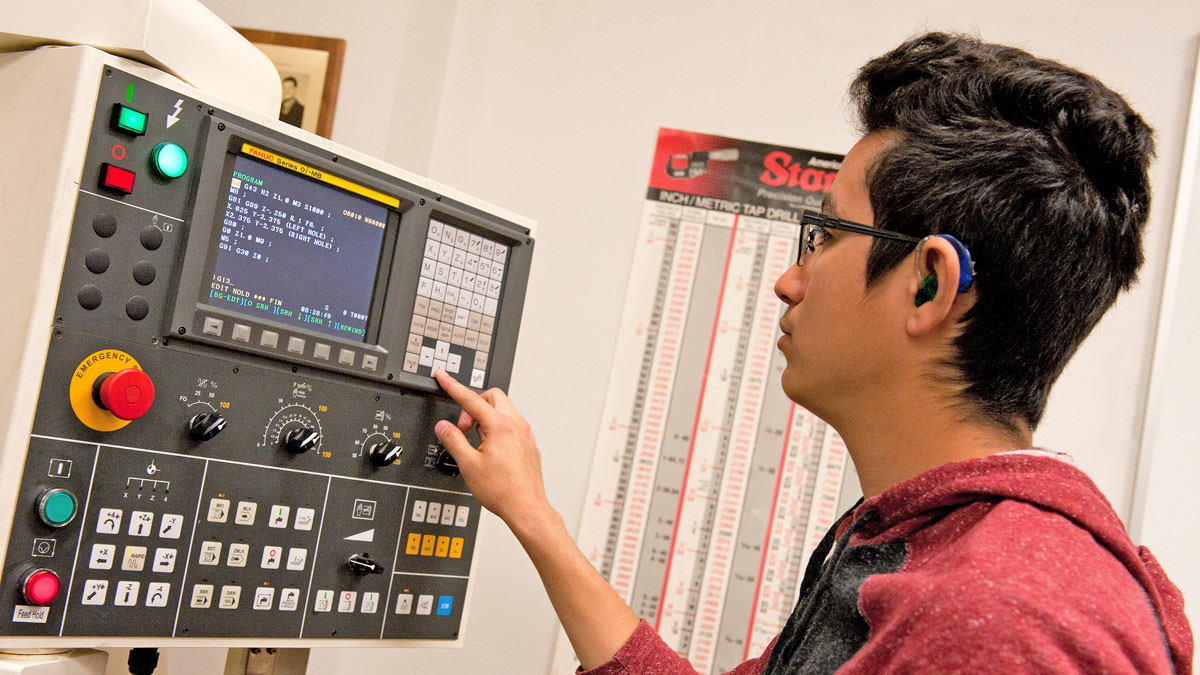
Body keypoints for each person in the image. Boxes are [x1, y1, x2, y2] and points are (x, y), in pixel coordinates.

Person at [432, 31, 1193, 674]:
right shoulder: (929, 543)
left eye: (825, 236)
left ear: (929, 285)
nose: (788, 280)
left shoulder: (993, 617)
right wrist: (533, 515)